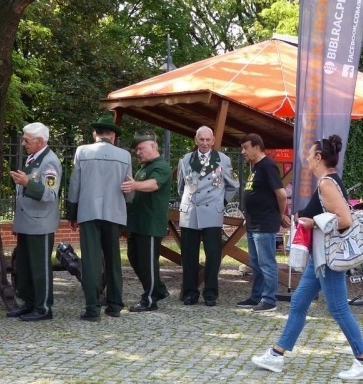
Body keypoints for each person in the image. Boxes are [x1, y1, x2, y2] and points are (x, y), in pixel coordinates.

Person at [251, 135, 363, 380]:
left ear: (318, 157)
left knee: (338, 308)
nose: (306, 158)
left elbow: (345, 220)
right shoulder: (328, 181)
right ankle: (276, 355)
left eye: (310, 154)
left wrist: (312, 222)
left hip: (328, 257)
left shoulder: (326, 184)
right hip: (321, 257)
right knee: (298, 302)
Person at [67, 114, 134, 321]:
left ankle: (92, 308)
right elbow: (129, 190)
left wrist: (72, 212)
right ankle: (115, 305)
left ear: (95, 133)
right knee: (113, 259)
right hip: (114, 213)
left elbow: (75, 185)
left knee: (91, 260)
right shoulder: (125, 156)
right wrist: (126, 206)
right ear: (112, 135)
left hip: (89, 212)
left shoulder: (82, 151)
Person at [177, 126, 239, 306]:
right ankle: (190, 292)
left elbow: (233, 185)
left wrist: (221, 203)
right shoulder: (186, 159)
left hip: (212, 212)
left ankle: (210, 293)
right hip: (190, 212)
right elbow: (182, 186)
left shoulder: (223, 159)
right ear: (196, 140)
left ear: (213, 141)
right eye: (201, 140)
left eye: (207, 140)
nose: (204, 143)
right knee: (188, 255)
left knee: (213, 254)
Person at [8, 122, 62, 321]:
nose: (23, 143)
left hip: (40, 223)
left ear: (40, 141)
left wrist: (27, 183)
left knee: (40, 268)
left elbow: (50, 194)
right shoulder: (33, 158)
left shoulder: (50, 161)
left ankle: (44, 308)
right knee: (24, 266)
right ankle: (30, 303)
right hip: (27, 222)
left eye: (27, 140)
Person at [235, 133, 289, 312]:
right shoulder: (256, 167)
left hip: (264, 223)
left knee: (266, 263)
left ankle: (269, 300)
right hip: (253, 223)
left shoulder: (268, 166)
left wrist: (280, 214)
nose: (243, 152)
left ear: (257, 147)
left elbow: (281, 195)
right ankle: (256, 296)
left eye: (245, 147)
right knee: (256, 263)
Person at [121, 131, 172, 312]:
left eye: (141, 148)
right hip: (138, 224)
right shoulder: (145, 167)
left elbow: (154, 185)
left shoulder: (161, 166)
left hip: (150, 225)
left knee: (148, 262)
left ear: (153, 146)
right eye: (136, 149)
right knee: (134, 259)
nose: (138, 152)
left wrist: (134, 185)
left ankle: (150, 299)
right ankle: (158, 290)